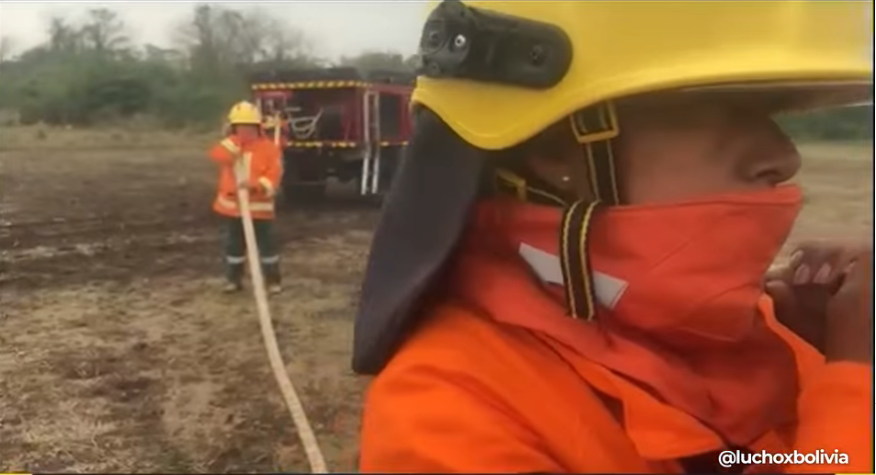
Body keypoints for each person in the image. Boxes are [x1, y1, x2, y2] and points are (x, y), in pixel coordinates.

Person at [352, 0, 873, 473]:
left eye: (773, 115)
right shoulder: (451, 412)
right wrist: (855, 387)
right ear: (556, 144)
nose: (785, 156)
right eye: (732, 108)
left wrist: (828, 366)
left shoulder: (765, 334)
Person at [209, 101, 283, 294]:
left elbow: (273, 176)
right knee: (234, 246)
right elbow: (218, 156)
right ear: (233, 127)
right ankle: (233, 280)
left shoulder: (268, 149)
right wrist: (234, 144)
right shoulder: (230, 145)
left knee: (267, 248)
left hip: (260, 209)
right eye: (240, 127)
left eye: (249, 127)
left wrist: (255, 186)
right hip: (233, 209)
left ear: (257, 127)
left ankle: (273, 280)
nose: (245, 131)